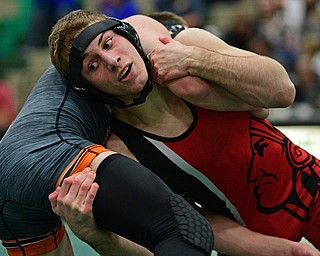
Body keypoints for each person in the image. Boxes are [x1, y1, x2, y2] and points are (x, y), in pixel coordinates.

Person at [47, 9, 319, 256]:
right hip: (257, 238)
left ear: (127, 34)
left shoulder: (189, 46)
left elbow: (283, 91)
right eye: (92, 66)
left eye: (108, 43)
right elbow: (174, 235)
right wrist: (94, 236)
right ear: (90, 89)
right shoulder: (124, 147)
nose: (112, 61)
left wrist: (195, 59)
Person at [0, 10, 216, 256]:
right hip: (44, 156)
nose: (112, 61)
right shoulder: (125, 41)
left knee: (178, 235)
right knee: (186, 231)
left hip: (11, 182)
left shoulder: (91, 57)